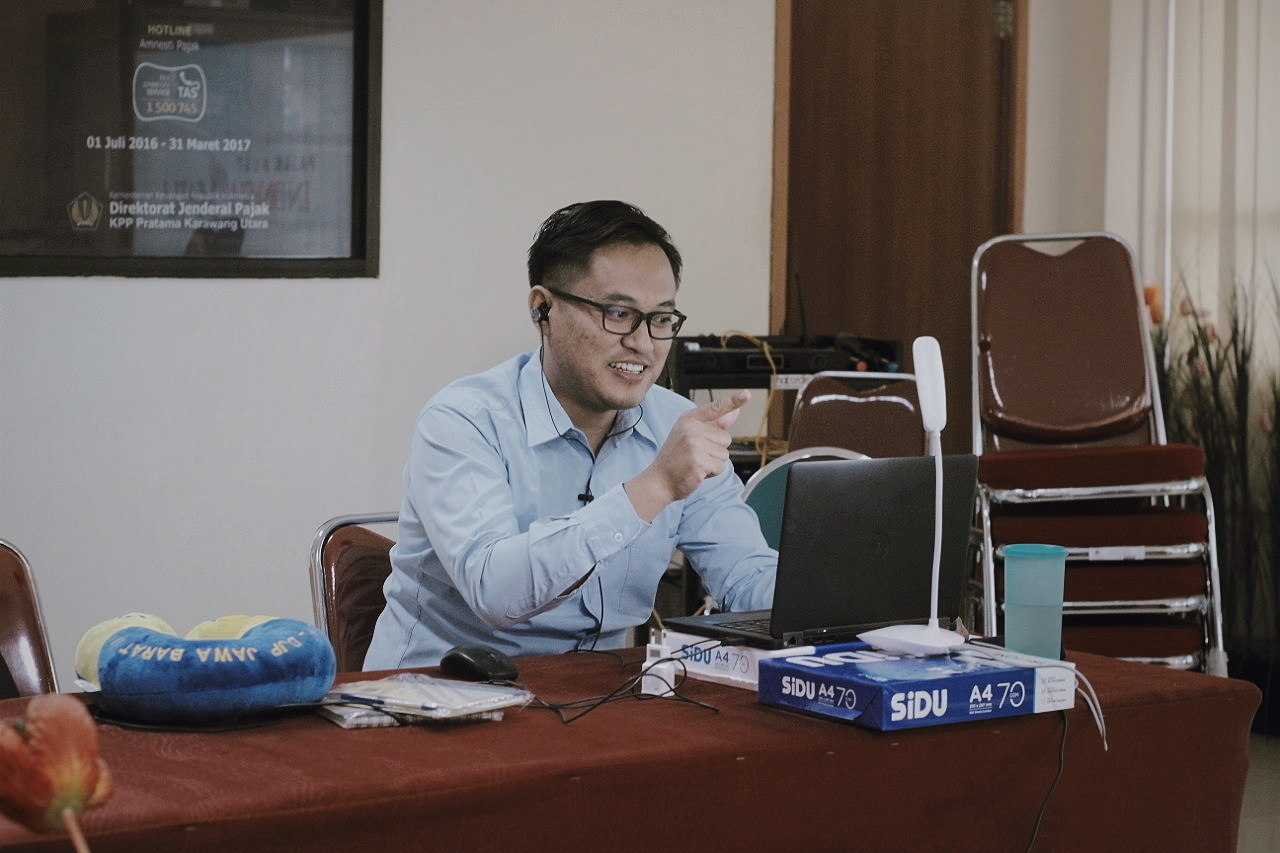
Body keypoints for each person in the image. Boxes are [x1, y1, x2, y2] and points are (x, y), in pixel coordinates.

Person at [364, 200, 776, 668]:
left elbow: (746, 578)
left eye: (661, 319)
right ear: (543, 308)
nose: (642, 344)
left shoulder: (676, 424)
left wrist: (832, 598)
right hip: (440, 691)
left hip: (599, 695)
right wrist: (654, 486)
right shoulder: (463, 419)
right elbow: (494, 592)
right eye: (617, 313)